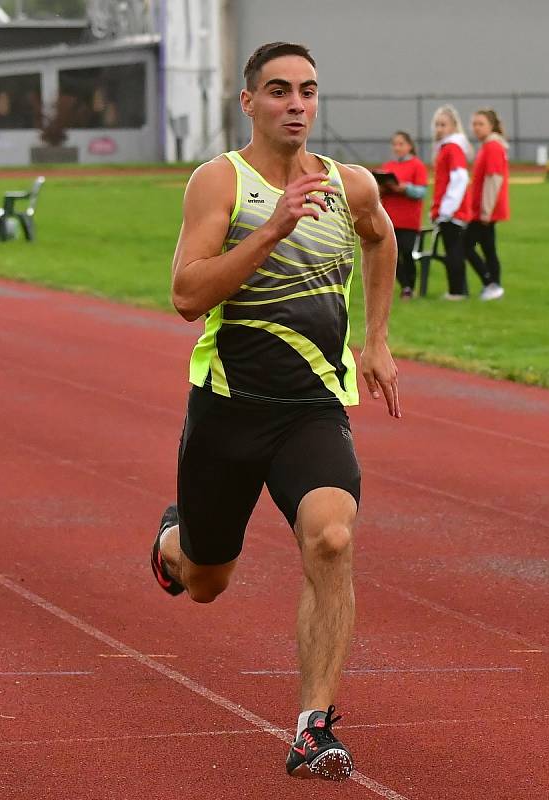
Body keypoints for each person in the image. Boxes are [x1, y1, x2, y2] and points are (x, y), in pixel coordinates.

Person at [149, 41, 400, 782]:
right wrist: (271, 230)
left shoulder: (349, 185)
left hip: (311, 410)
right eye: (280, 90)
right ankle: (172, 541)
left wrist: (377, 339)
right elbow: (188, 297)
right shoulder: (219, 181)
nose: (296, 104)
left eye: (309, 91)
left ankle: (311, 727)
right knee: (204, 580)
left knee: (331, 538)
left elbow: (382, 239)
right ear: (249, 102)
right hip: (228, 412)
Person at [465, 108, 510, 301]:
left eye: (480, 123)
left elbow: (494, 179)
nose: (476, 128)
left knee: (465, 245)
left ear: (491, 126)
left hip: (485, 210)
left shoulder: (492, 147)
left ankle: (490, 282)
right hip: (484, 209)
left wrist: (485, 210)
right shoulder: (488, 146)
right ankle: (494, 286)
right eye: (474, 124)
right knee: (488, 248)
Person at [378, 131, 428, 300]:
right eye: (395, 144)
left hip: (409, 220)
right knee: (392, 255)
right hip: (390, 218)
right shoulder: (388, 166)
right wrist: (383, 188)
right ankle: (405, 286)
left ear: (409, 146)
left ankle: (410, 285)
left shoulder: (417, 165)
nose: (397, 147)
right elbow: (378, 192)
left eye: (401, 144)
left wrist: (405, 188)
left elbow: (421, 191)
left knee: (407, 252)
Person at [429, 105, 472, 300]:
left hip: (452, 210)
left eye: (443, 124)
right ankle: (460, 289)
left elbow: (460, 178)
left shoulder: (452, 148)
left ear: (454, 126)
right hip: (449, 208)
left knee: (453, 250)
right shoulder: (447, 147)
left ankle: (456, 291)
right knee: (454, 249)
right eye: (437, 124)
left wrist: (447, 208)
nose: (439, 129)